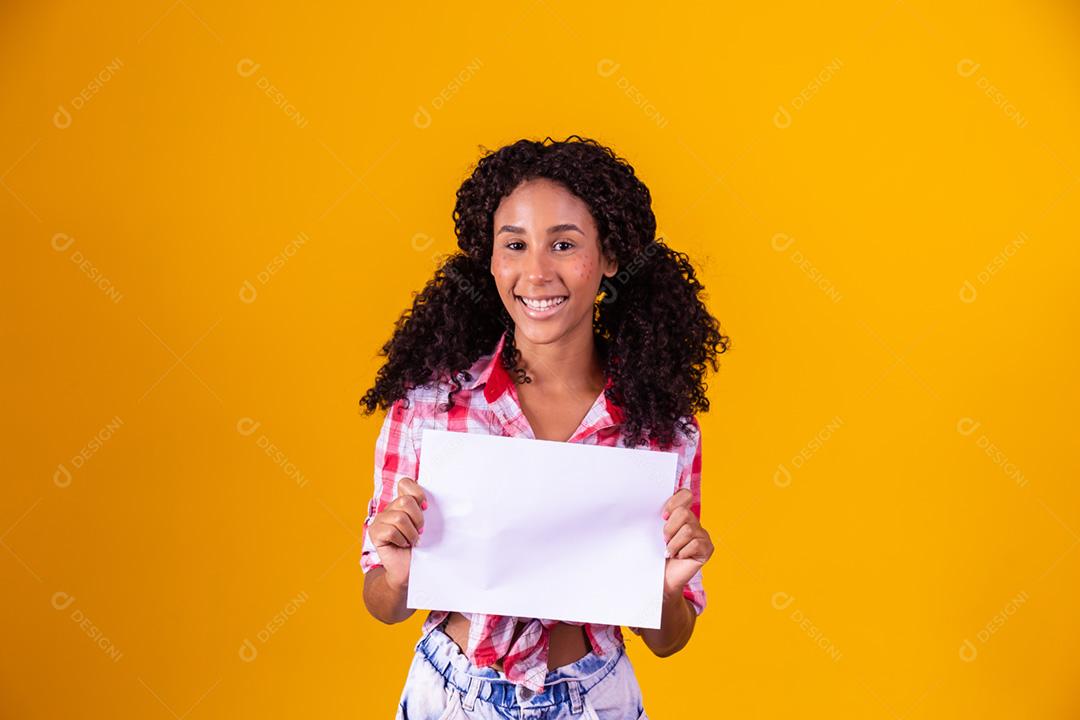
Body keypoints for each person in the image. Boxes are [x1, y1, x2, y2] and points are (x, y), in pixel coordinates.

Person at [358, 135, 730, 718]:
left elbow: (669, 639)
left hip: (594, 697)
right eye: (514, 244)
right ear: (491, 258)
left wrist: (665, 591)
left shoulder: (660, 427)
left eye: (563, 244)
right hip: (450, 694)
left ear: (609, 259)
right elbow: (381, 603)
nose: (536, 272)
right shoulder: (432, 404)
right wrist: (401, 575)